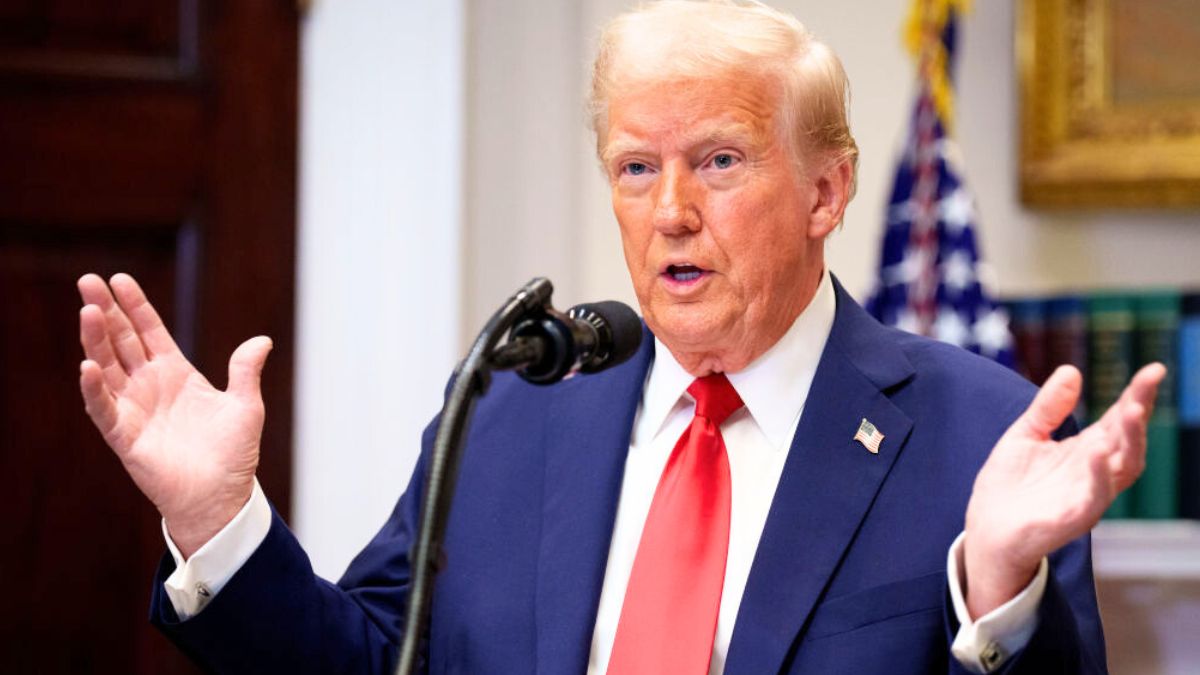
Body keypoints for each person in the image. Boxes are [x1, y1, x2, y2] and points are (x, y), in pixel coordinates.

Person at [78, 2, 1163, 673]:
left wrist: (998, 593)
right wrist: (219, 521)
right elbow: (376, 665)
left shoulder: (972, 428)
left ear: (828, 192)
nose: (671, 210)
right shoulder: (513, 406)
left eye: (721, 161)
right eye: (637, 168)